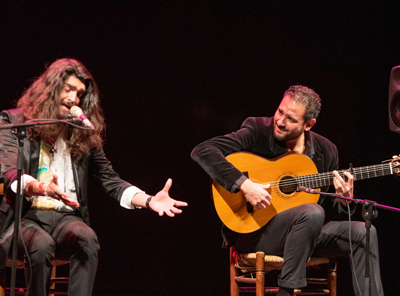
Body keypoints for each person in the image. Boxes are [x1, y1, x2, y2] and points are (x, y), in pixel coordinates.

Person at [0, 58, 188, 296]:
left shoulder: (81, 134)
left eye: (79, 94)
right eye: (68, 89)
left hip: (64, 219)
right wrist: (41, 187)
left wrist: (149, 200)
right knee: (41, 245)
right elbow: (10, 173)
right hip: (24, 218)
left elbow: (110, 179)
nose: (73, 98)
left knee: (87, 239)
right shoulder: (14, 123)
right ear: (51, 88)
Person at [191, 85, 384, 296]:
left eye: (291, 119)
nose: (281, 121)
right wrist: (245, 185)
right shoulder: (258, 130)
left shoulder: (326, 151)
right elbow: (203, 150)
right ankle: (287, 291)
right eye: (280, 111)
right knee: (312, 212)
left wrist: (345, 200)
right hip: (256, 231)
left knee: (364, 233)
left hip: (306, 231)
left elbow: (330, 208)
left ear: (309, 124)